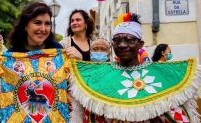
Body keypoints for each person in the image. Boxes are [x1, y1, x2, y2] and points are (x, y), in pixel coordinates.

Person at [69, 12, 200, 122]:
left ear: (140, 44)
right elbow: (91, 116)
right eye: (117, 40)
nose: (122, 45)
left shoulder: (159, 73)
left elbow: (176, 117)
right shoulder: (102, 75)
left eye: (129, 40)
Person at [0, 2, 72, 122]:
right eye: (37, 23)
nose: (43, 29)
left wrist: (79, 58)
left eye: (47, 24)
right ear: (25, 26)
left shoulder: (59, 53)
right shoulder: (11, 56)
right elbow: (3, 99)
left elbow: (71, 88)